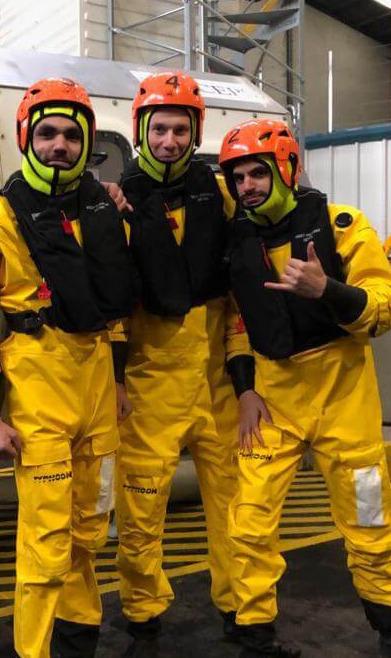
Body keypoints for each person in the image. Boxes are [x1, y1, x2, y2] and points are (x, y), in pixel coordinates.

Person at [217, 119, 391, 658]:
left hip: (343, 392)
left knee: (368, 518)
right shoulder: (238, 245)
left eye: (257, 173)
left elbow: (386, 307)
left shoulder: (341, 226)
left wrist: (328, 289)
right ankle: (256, 639)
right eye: (238, 177)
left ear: (286, 168)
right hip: (273, 397)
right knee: (248, 524)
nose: (248, 186)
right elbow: (239, 324)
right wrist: (244, 388)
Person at [0, 77, 136, 658]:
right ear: (26, 138)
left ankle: (80, 632)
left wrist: (119, 380)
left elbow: (116, 304)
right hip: (37, 382)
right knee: (47, 537)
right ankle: (33, 648)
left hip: (97, 382)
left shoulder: (105, 209)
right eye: (47, 133)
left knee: (92, 523)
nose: (59, 144)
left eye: (71, 135)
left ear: (86, 143)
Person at [112, 70, 246, 654]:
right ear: (141, 131)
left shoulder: (218, 195)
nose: (168, 140)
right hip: (149, 385)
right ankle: (143, 620)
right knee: (140, 516)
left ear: (195, 133)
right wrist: (116, 380)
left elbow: (238, 290)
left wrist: (245, 382)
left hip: (216, 383)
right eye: (158, 129)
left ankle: (245, 615)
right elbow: (111, 301)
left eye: (179, 129)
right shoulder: (116, 201)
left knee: (238, 511)